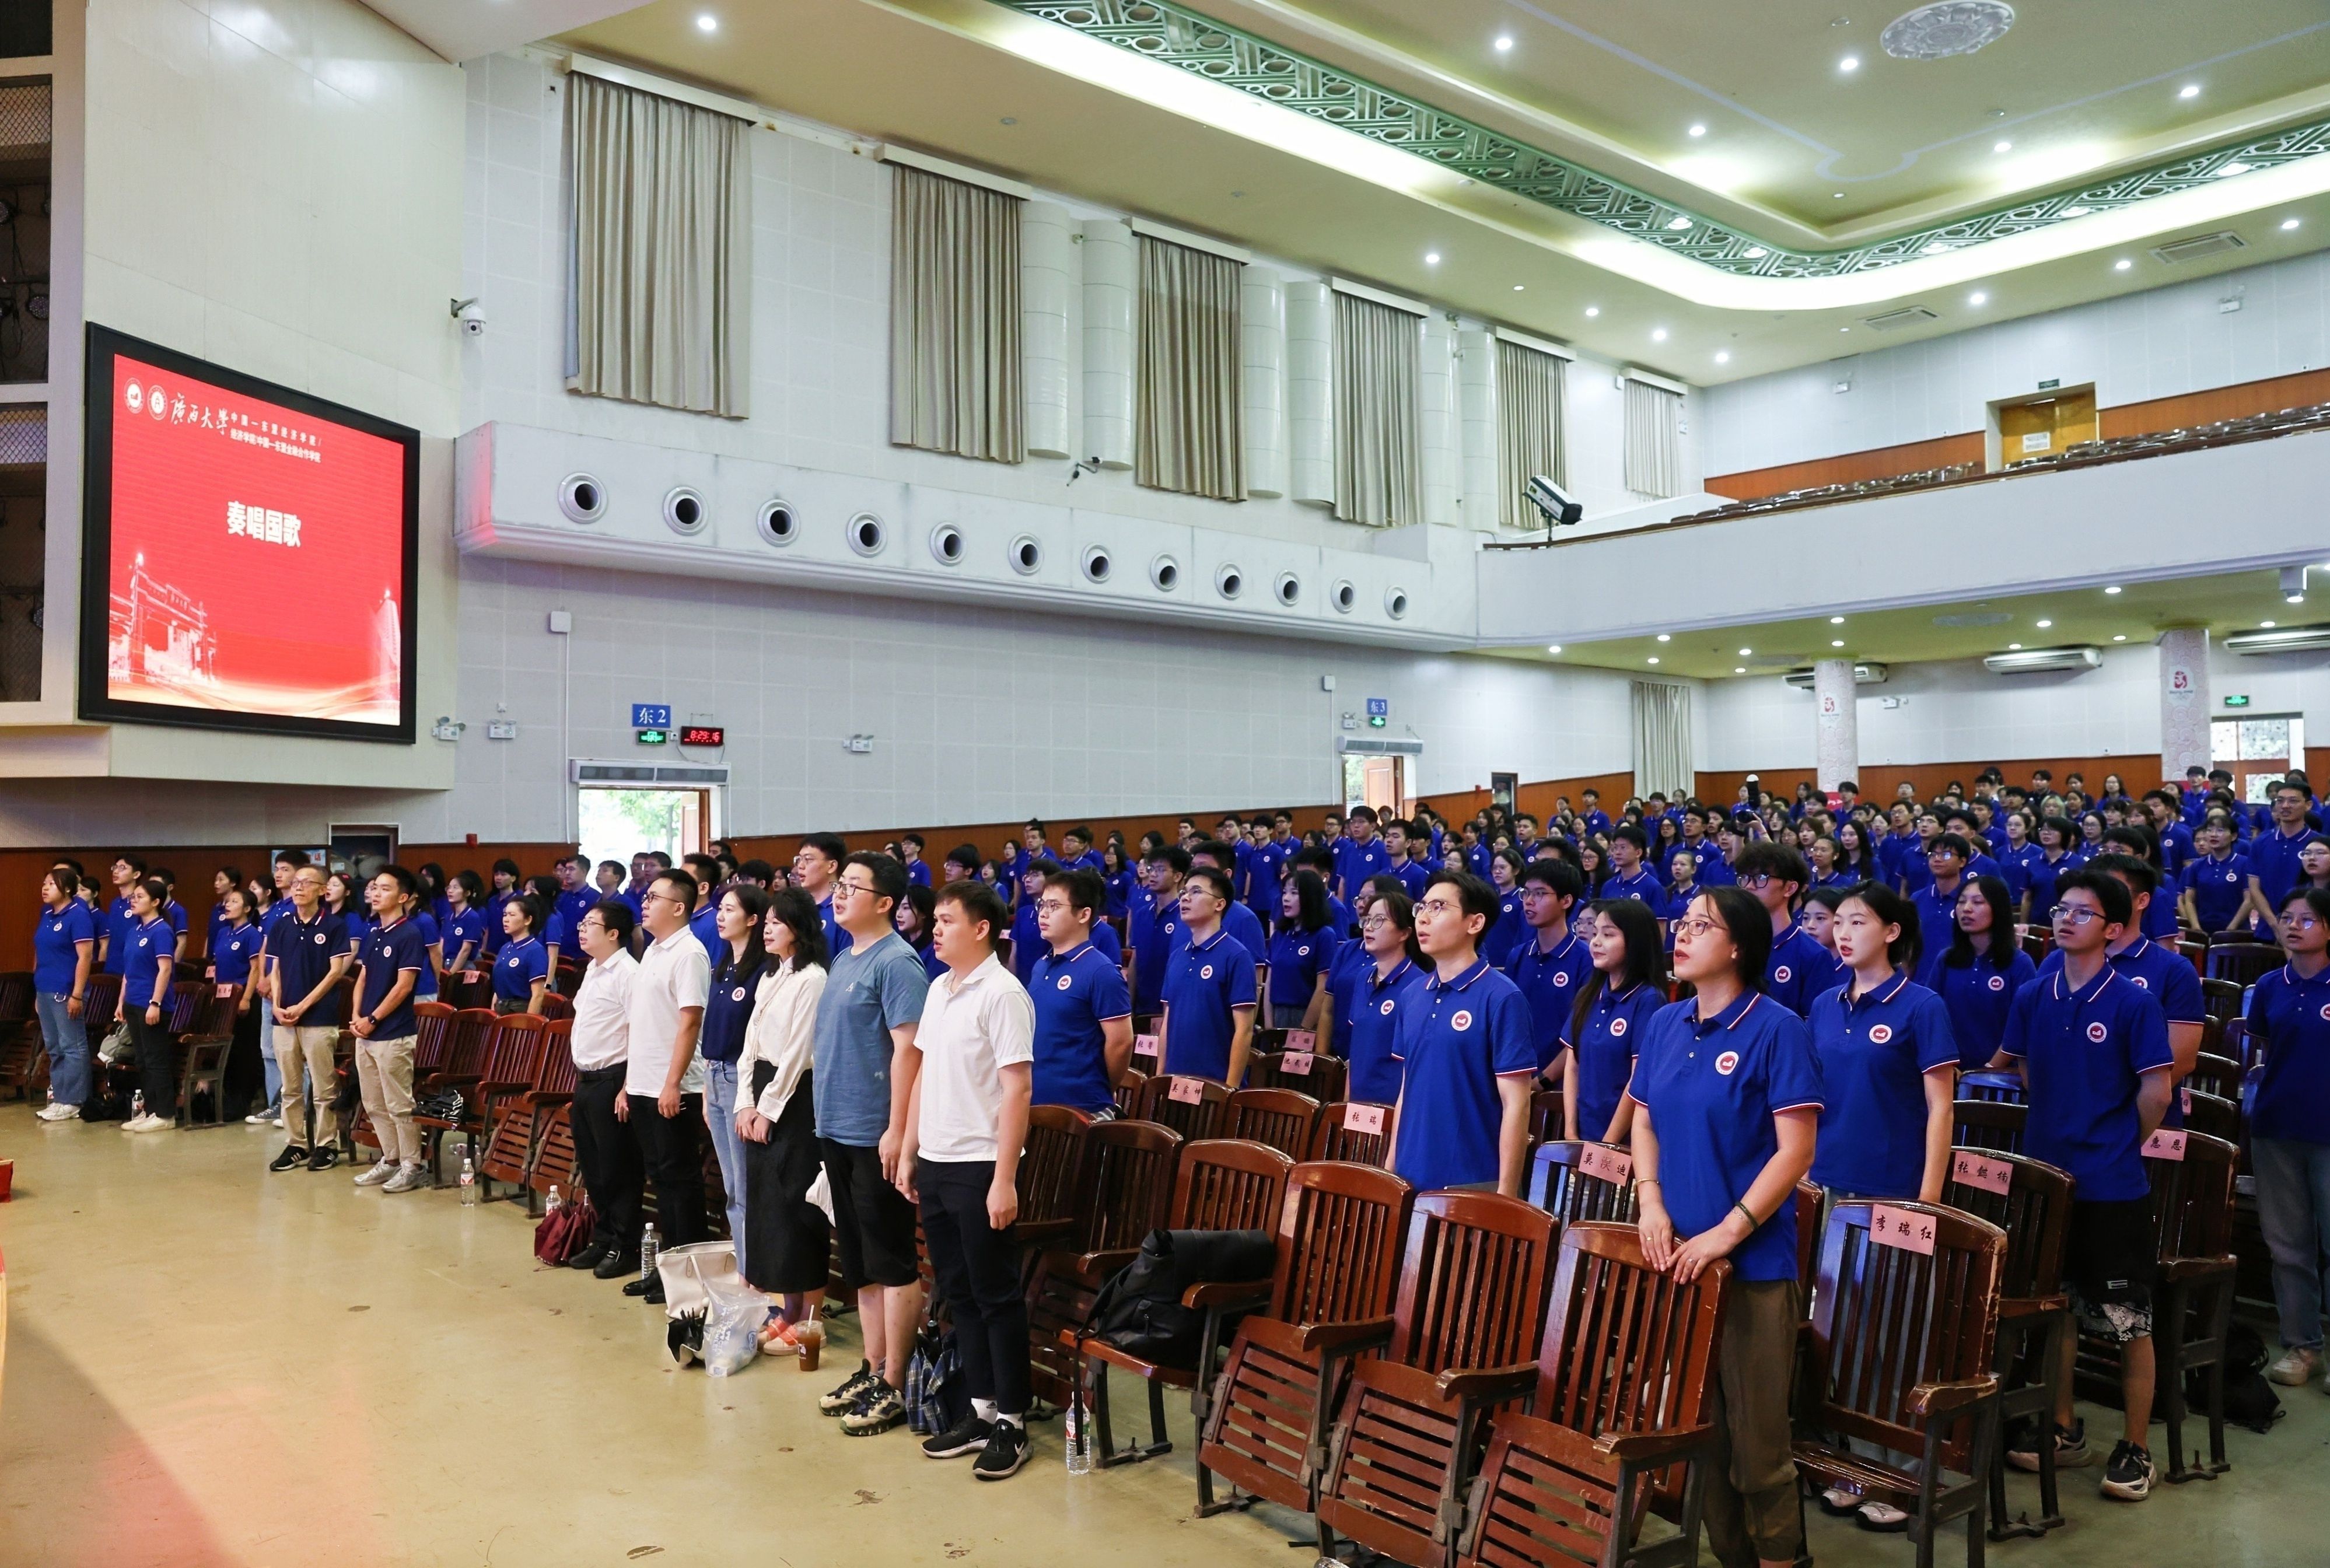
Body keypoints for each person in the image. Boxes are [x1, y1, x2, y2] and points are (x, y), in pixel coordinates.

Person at [1629, 884, 1822, 1568]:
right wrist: (1650, 1203)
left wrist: (1728, 1232)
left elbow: (1795, 1151)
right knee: (1699, 1432)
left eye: (1701, 926)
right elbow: (1643, 1121)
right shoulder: (1665, 1022)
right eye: (1682, 923)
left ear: (1739, 946)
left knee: (1759, 1449)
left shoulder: (1776, 1028)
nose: (1681, 935)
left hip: (1752, 1267)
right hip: (1676, 1260)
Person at [1996, 870, 2174, 1502]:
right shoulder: (2032, 995)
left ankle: (2136, 1447)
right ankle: (2064, 1427)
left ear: (2115, 929)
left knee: (2129, 1321)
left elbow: (2156, 1093)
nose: (2065, 919)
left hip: (2111, 1188)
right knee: (2059, 1309)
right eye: (2060, 909)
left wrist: (2113, 1144)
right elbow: (2023, 1071)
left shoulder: (2132, 1002)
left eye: (2082, 912)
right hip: (2046, 1182)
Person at [897, 880, 1038, 1480]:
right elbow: (924, 1072)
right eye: (936, 919)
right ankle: (979, 1410)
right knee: (959, 1292)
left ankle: (1013, 1420)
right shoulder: (940, 988)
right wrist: (910, 1150)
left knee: (996, 1295)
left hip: (980, 1166)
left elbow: (1018, 1088)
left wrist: (1004, 1179)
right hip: (936, 1161)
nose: (936, 928)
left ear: (981, 929)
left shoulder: (1003, 994)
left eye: (948, 920)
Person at [812, 852, 931, 1435]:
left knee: (890, 1258)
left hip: (874, 1132)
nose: (839, 894)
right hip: (836, 1126)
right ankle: (872, 1365)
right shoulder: (844, 957)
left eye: (852, 887)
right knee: (860, 1262)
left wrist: (897, 1129)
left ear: (884, 902)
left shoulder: (898, 963)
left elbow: (911, 1053)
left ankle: (897, 1382)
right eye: (839, 885)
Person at [1386, 869, 1534, 1196]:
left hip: (1473, 1181)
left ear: (1475, 923)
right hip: (1411, 1174)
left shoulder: (1502, 997)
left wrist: (1506, 1192)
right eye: (1422, 907)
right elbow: (1407, 1088)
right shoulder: (1411, 995)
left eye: (1438, 907)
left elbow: (1517, 1104)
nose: (1423, 918)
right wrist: (1391, 1167)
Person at [1808, 883, 1957, 1207]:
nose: (1844, 934)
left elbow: (1941, 1109)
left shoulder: (1923, 1006)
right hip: (1822, 1175)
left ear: (1891, 932)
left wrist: (1929, 1198)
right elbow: (1810, 1095)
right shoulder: (1824, 1004)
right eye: (1838, 923)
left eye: (1857, 923)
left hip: (1892, 1185)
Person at [737, 888, 832, 1344]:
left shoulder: (813, 979)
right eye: (767, 921)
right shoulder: (770, 975)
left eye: (777, 921)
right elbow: (750, 1045)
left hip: (794, 1099)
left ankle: (810, 1317)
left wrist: (769, 1109)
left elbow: (798, 1053)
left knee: (796, 1204)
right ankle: (788, 1307)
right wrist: (745, 1102)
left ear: (799, 928)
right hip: (761, 1089)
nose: (768, 928)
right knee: (768, 1206)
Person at [2247, 886, 2330, 1389]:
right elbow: (2262, 1051)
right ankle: (2303, 1346)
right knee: (2288, 1246)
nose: (2293, 926)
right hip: (2276, 1127)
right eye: (2286, 917)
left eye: (2307, 919)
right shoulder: (2268, 986)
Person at [625, 867, 713, 1306]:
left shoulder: (689, 953)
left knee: (681, 1183)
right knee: (660, 1178)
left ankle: (689, 1279)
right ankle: (667, 1272)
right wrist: (629, 1083)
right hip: (643, 1084)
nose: (644, 903)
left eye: (653, 897)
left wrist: (673, 1083)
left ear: (679, 907)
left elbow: (690, 1021)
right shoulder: (654, 950)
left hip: (672, 1086)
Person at [563, 899, 647, 1279]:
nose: (582, 930)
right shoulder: (593, 969)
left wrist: (627, 1087)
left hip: (614, 1080)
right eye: (582, 924)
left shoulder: (628, 973)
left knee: (619, 1169)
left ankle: (625, 1246)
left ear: (614, 933)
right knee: (594, 1167)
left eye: (590, 925)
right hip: (586, 1079)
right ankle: (603, 1237)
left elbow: (640, 1032)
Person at [701, 883, 772, 1270]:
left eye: (730, 910)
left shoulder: (763, 971)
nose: (721, 916)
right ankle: (747, 1271)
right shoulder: (722, 965)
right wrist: (705, 1090)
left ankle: (754, 1275)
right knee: (732, 1188)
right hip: (714, 1077)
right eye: (720, 909)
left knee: (745, 1188)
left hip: (741, 1082)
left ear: (753, 919)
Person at [348, 866, 432, 1192]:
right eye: (374, 888)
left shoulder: (409, 934)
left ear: (403, 897)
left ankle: (413, 1165)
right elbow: (363, 978)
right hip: (366, 1031)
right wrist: (357, 1015)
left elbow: (403, 986)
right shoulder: (373, 933)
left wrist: (373, 1019)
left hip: (393, 1032)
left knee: (399, 1104)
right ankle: (391, 1159)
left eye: (385, 889)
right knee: (373, 1103)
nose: (375, 893)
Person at [265, 864, 352, 1167]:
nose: (299, 887)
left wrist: (303, 1006)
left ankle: (327, 1145)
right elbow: (275, 970)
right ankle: (296, 1143)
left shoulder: (335, 926)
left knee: (324, 1086)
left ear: (322, 890)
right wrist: (276, 1005)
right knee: (290, 1087)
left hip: (319, 1017)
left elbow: (335, 972)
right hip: (283, 1017)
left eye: (307, 882)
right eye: (296, 883)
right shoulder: (281, 925)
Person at [1028, 866, 1133, 1115]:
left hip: (1081, 1107)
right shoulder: (1041, 965)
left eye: (1054, 906)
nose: (1044, 913)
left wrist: (1103, 1088)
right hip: (1036, 1099)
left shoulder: (1101, 971)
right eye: (1042, 905)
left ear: (1084, 914)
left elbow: (1122, 1042)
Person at [1561, 898, 1664, 1144]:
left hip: (1623, 1141)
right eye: (1595, 933)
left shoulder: (1648, 1000)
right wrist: (1570, 1133)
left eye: (1608, 935)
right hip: (1582, 1136)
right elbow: (1573, 1066)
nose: (1596, 941)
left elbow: (1638, 1079)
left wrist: (1608, 1143)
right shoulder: (1588, 995)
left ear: (1635, 942)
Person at [1919, 875, 2037, 1069]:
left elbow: (2023, 1026)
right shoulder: (1946, 959)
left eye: (1978, 902)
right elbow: (1930, 1016)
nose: (1966, 909)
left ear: (1998, 909)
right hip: (1948, 1069)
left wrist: (1988, 1071)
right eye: (1962, 901)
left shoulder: (2020, 964)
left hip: (2001, 1075)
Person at [1156, 866, 1257, 1086]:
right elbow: (1167, 1023)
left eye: (1196, 892)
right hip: (1174, 1082)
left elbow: (1244, 1030)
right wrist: (1159, 1078)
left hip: (1215, 1084)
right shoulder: (1176, 957)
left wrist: (1229, 1090)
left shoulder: (1237, 956)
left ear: (1219, 904)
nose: (1185, 898)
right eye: (1184, 892)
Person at [1325, 887, 1425, 1106]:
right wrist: (1347, 1102)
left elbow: (1416, 1062)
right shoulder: (1363, 978)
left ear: (1404, 933)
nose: (1369, 927)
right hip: (1358, 1104)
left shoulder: (1419, 985)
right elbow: (1356, 1049)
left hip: (1393, 1106)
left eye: (1379, 920)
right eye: (1367, 920)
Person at [1507, 859, 1593, 1077]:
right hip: (1515, 1074)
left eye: (1540, 894)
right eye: (1526, 893)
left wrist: (1544, 1080)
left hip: (1562, 1082)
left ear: (1566, 900)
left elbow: (1583, 1032)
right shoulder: (1518, 955)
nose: (1529, 901)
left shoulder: (1586, 960)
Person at [32, 869, 98, 1123]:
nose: (45, 888)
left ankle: (75, 1100)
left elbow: (85, 957)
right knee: (54, 1046)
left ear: (68, 889)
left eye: (52, 884)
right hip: (44, 987)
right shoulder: (47, 914)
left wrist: (77, 994)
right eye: (44, 883)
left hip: (66, 990)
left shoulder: (78, 915)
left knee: (72, 1045)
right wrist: (37, 991)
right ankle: (60, 1098)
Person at [1266, 869, 1339, 1032]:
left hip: (1306, 1016)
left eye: (1294, 893)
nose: (1286, 898)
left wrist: (1303, 1029)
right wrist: (1269, 1027)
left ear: (1310, 897)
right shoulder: (1279, 935)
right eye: (1284, 892)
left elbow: (1323, 988)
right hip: (1277, 1014)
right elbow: (1269, 984)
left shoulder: (1324, 935)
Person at [489, 893, 550, 1016]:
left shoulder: (535, 950)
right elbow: (498, 986)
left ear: (528, 920)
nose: (506, 919)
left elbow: (538, 995)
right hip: (500, 1007)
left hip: (519, 1010)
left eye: (512, 915)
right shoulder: (505, 948)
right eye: (505, 915)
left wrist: (527, 1022)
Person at [795, 833, 852, 956]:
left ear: (831, 866)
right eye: (799, 859)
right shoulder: (798, 907)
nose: (800, 866)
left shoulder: (845, 908)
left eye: (808, 860)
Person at [895, 882, 948, 979]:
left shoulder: (936, 949)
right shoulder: (898, 945)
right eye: (897, 908)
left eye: (906, 908)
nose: (899, 914)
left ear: (923, 912)